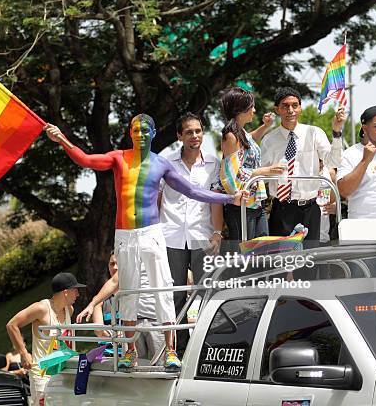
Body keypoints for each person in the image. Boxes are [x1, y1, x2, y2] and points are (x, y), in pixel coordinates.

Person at [45, 114, 245, 369]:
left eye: (145, 130)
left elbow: (193, 191)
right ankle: (130, 351)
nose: (140, 134)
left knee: (162, 289)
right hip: (125, 235)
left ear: (152, 134)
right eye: (136, 130)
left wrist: (231, 199)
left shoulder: (161, 164)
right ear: (131, 133)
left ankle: (171, 350)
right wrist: (61, 138)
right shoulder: (119, 157)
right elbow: (85, 160)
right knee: (128, 293)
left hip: (152, 233)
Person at [157, 112, 224, 356]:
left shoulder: (214, 163)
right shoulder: (165, 163)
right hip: (170, 236)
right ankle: (179, 348)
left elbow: (216, 200)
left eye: (197, 131)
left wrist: (217, 233)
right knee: (175, 295)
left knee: (208, 292)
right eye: (188, 132)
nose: (194, 136)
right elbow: (157, 199)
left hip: (202, 235)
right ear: (179, 136)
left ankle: (209, 346)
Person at [260, 87, 345, 241]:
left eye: (295, 105)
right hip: (282, 208)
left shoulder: (314, 133)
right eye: (285, 106)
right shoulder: (269, 140)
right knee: (283, 261)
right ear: (277, 109)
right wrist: (270, 171)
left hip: (310, 208)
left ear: (300, 108)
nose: (290, 110)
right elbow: (262, 176)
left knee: (310, 260)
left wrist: (337, 132)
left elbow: (334, 161)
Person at [213, 87, 285, 241]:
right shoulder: (230, 135)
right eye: (251, 106)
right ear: (241, 109)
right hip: (241, 205)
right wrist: (266, 170)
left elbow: (248, 141)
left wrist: (265, 126)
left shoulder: (240, 133)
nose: (254, 110)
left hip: (255, 203)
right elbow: (233, 174)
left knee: (261, 248)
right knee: (245, 256)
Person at [6, 272, 86, 405]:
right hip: (42, 373)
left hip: (62, 371)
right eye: (75, 290)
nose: (78, 294)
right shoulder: (41, 308)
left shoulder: (69, 310)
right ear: (66, 292)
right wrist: (24, 353)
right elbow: (12, 325)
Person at [80, 252, 165, 364]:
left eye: (118, 263)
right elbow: (99, 330)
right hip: (110, 352)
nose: (115, 267)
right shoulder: (101, 300)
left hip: (143, 327)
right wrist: (114, 333)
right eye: (111, 264)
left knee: (158, 365)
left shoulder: (136, 289)